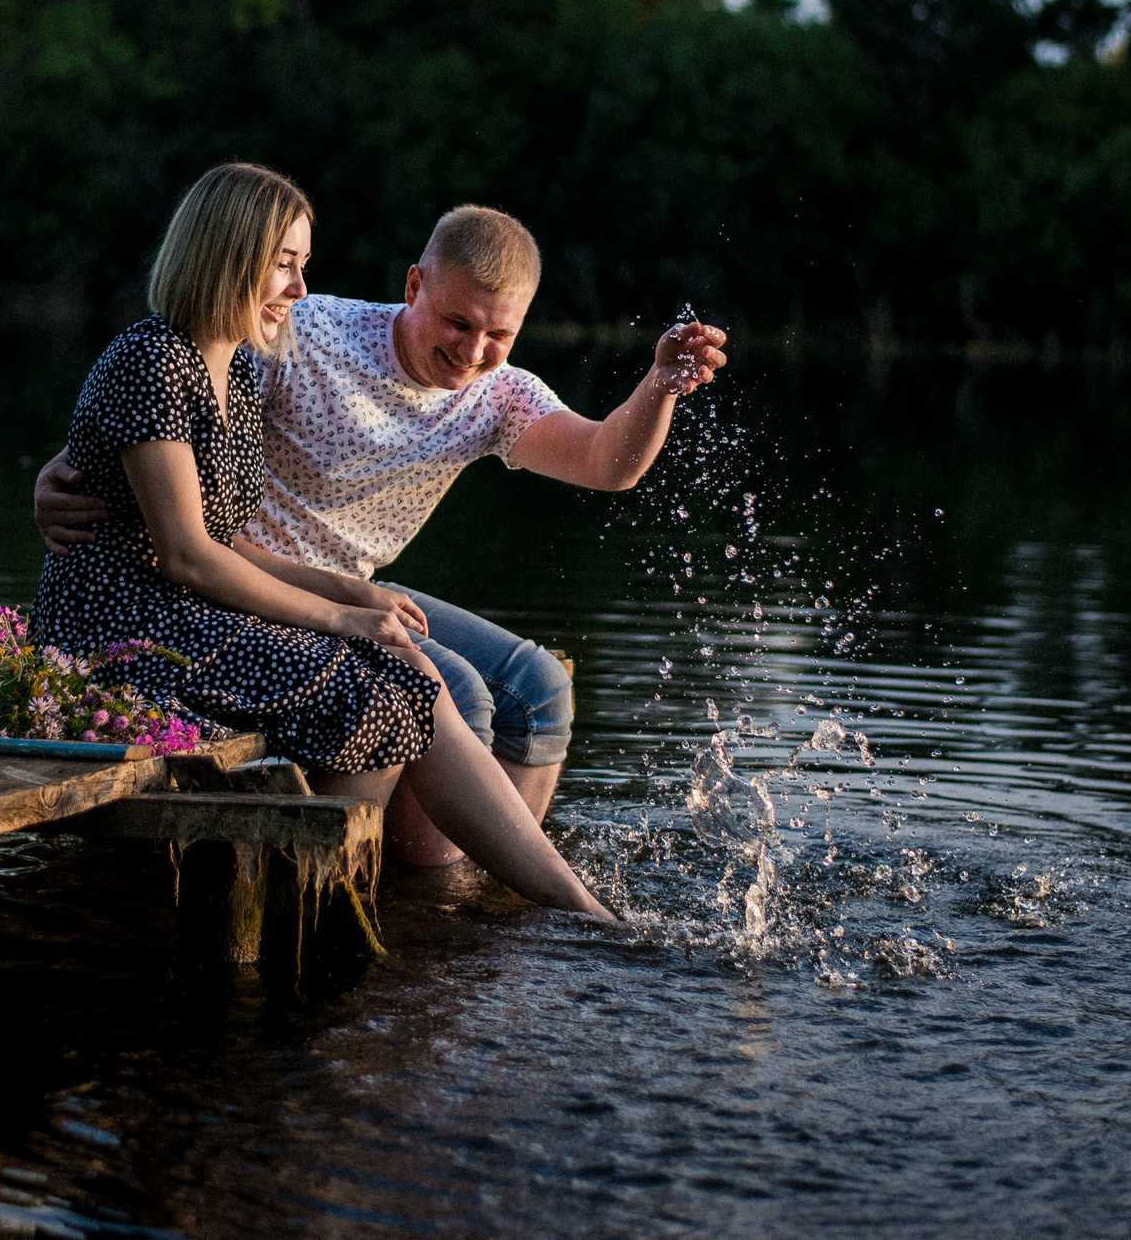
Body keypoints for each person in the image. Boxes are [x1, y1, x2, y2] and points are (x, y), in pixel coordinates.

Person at [37, 201, 728, 867]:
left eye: (499, 336)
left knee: (541, 688)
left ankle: (467, 884)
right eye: (458, 322)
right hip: (256, 583)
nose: (473, 350)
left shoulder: (498, 393)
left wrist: (660, 385)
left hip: (349, 588)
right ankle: (427, 887)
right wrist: (56, 474)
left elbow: (607, 462)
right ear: (413, 285)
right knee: (456, 690)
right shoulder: (304, 336)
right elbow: (171, 399)